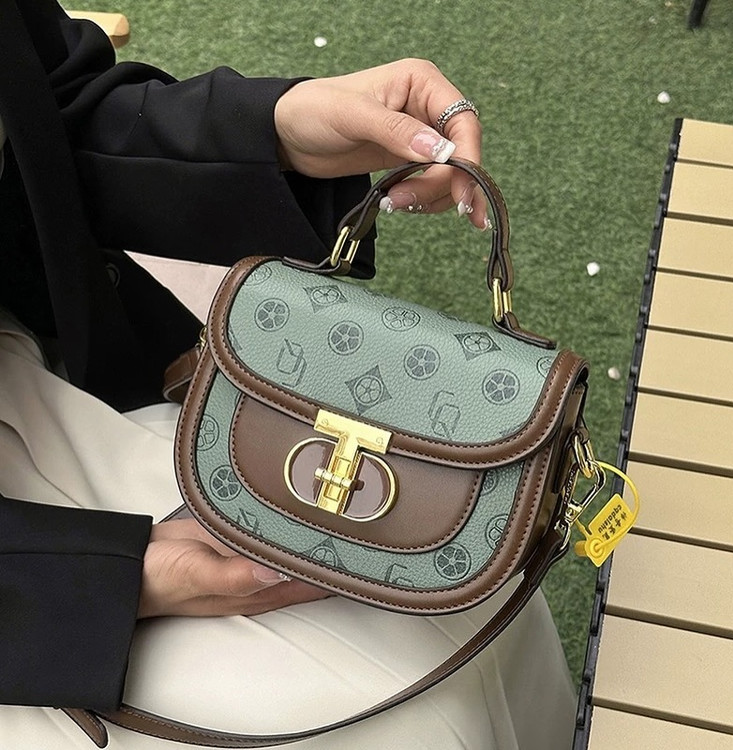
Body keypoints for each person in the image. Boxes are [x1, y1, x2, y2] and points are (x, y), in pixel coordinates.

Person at [0, 1, 576, 747]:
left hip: (40, 370)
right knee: (399, 728)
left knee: (471, 590)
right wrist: (88, 577)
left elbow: (54, 112)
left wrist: (275, 131)